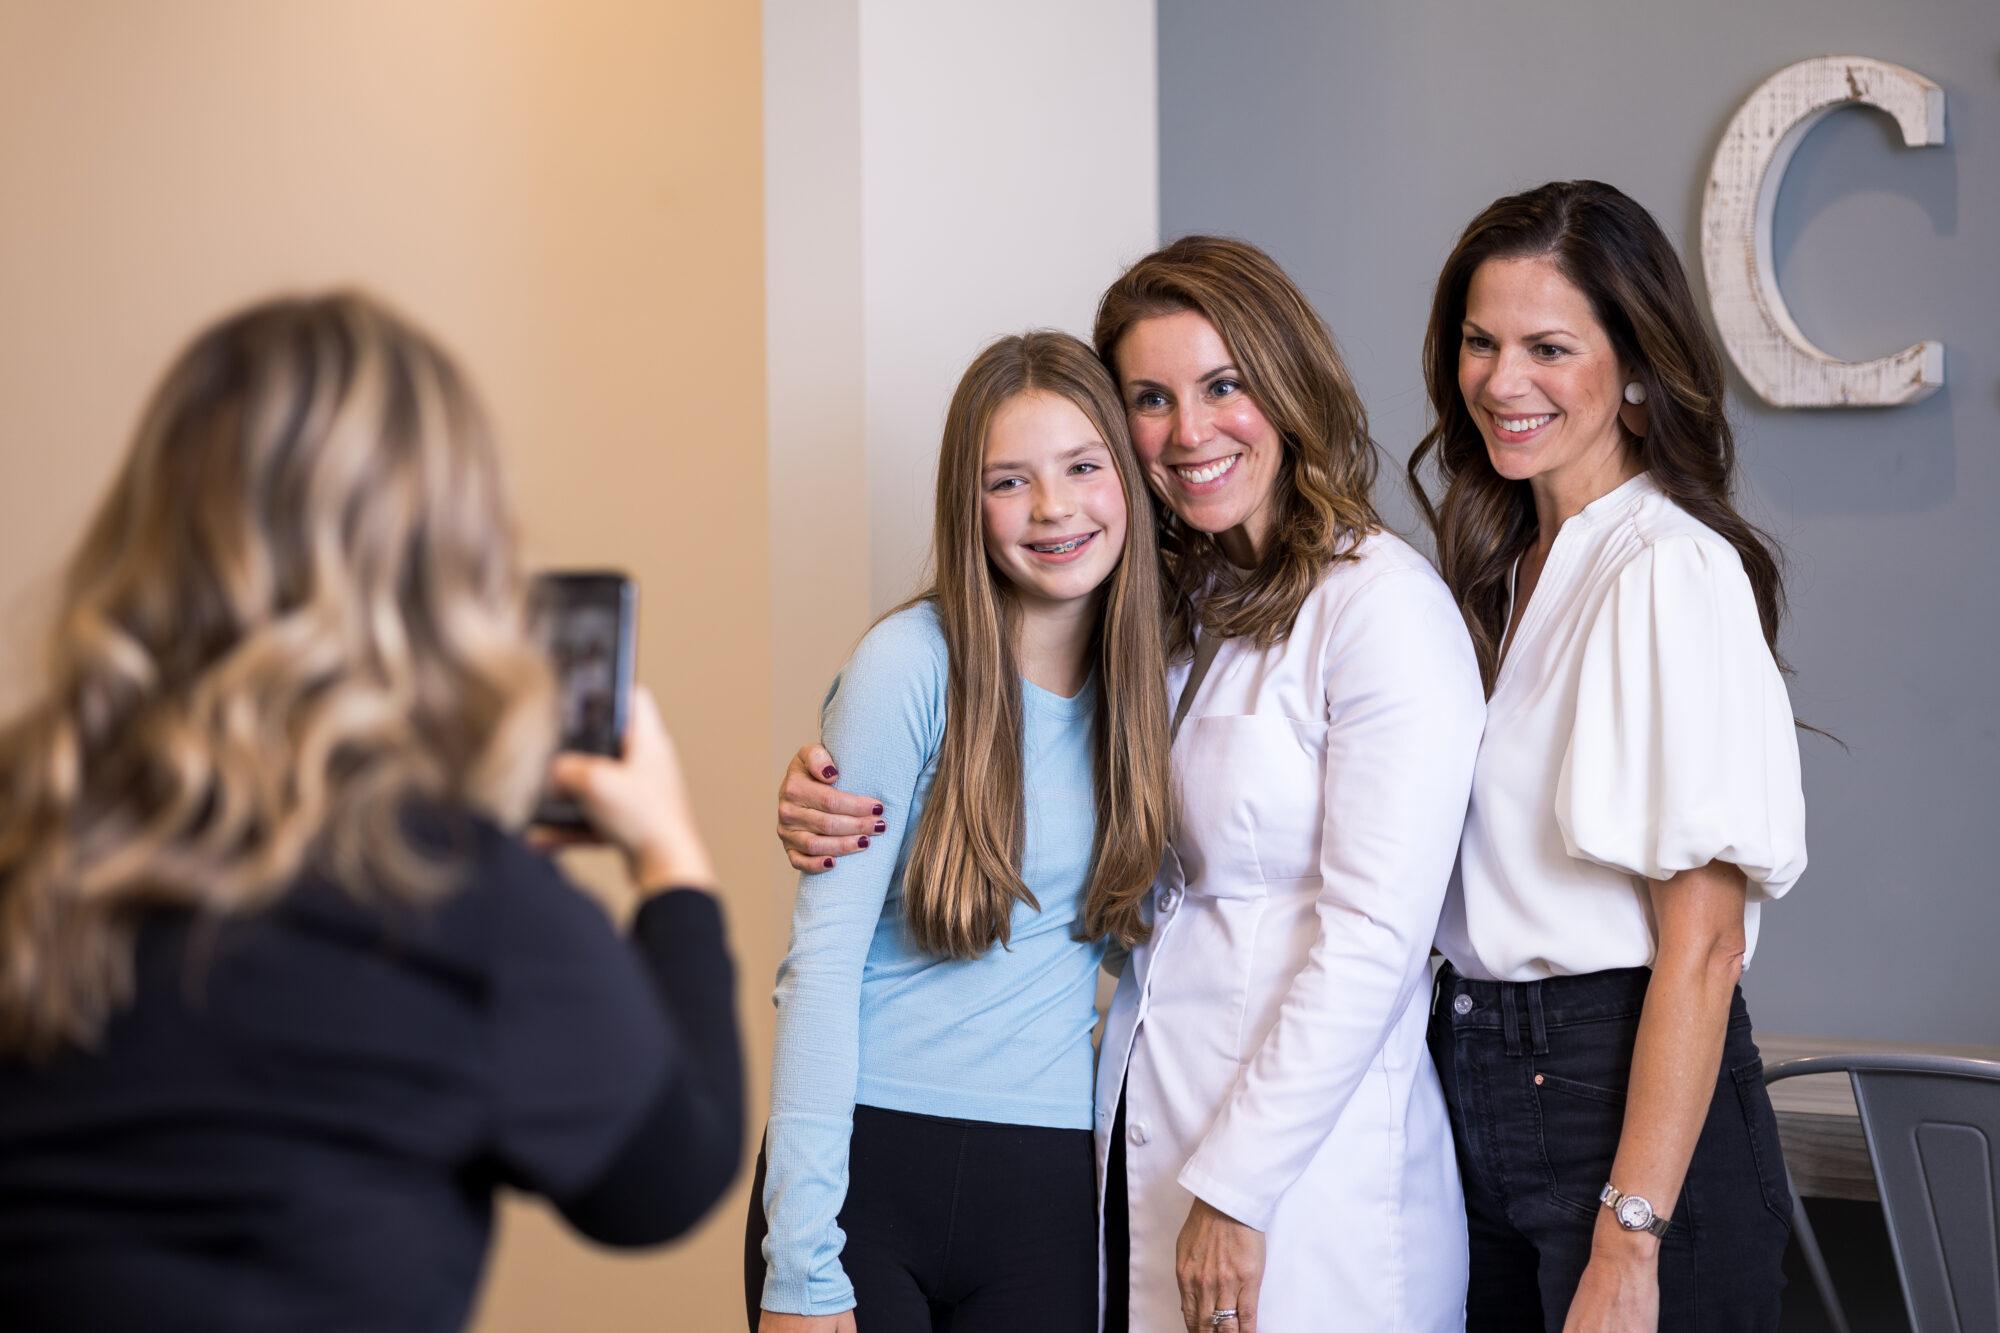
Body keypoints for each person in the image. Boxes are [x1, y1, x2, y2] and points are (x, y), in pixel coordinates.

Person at [778, 238, 1487, 1333]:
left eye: (1222, 384)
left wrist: (1239, 1185)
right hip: (1118, 1163)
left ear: (1286, 383)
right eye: (1151, 399)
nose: (1190, 430)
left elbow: (1372, 942)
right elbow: (1094, 879)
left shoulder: (1383, 606)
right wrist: (833, 789)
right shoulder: (1161, 624)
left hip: (1303, 1183)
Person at [0, 293, 743, 1332]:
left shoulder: (25, 830)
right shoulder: (472, 902)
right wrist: (672, 861)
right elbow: (662, 1180)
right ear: (453, 559)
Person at [1409, 180, 1806, 1332]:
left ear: (1633, 368)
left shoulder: (1664, 568)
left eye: (1546, 346)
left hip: (1614, 1092)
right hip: (1478, 1070)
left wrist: (1631, 1238)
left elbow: (1704, 937)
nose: (1499, 380)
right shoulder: (1505, 576)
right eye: (1479, 343)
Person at [746, 332, 1171, 1333]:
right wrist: (799, 1263)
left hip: (1044, 1190)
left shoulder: (1157, 689)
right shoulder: (907, 664)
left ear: (1127, 479)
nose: (1052, 507)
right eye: (1008, 481)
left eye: (1081, 467)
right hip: (867, 1171)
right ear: (966, 507)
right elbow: (821, 964)